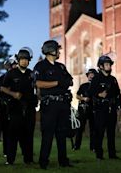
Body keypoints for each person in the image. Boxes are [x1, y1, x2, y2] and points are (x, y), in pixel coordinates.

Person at [34, 40, 73, 169]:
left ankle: (63, 161)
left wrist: (63, 83)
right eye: (57, 49)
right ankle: (43, 162)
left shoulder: (61, 67)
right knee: (48, 134)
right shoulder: (40, 66)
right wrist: (56, 83)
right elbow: (38, 83)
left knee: (62, 133)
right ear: (50, 50)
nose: (59, 52)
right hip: (49, 104)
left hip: (62, 104)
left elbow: (70, 81)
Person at [1, 47, 37, 165]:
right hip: (15, 108)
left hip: (30, 108)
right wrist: (13, 94)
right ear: (18, 60)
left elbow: (36, 88)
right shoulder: (11, 74)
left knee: (28, 135)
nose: (24, 61)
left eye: (26, 59)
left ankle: (28, 159)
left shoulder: (31, 74)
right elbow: (2, 88)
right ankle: (10, 160)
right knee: (13, 135)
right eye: (22, 59)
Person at [89, 56, 121, 160]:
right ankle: (99, 155)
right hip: (100, 108)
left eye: (109, 64)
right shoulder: (96, 78)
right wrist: (99, 94)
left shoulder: (113, 79)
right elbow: (90, 92)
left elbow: (118, 93)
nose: (109, 66)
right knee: (100, 133)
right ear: (101, 66)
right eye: (106, 64)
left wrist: (119, 105)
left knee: (111, 133)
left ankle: (112, 155)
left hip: (111, 108)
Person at [0, 56, 17, 157]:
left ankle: (26, 153)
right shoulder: (1, 79)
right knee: (6, 131)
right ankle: (7, 151)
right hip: (5, 108)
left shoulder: (21, 78)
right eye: (13, 66)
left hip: (17, 108)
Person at [73, 68, 97, 151]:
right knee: (80, 128)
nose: (91, 75)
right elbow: (77, 96)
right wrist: (83, 98)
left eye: (93, 74)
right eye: (90, 74)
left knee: (93, 129)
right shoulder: (83, 86)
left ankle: (93, 147)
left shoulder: (97, 86)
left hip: (93, 109)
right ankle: (76, 146)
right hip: (83, 109)